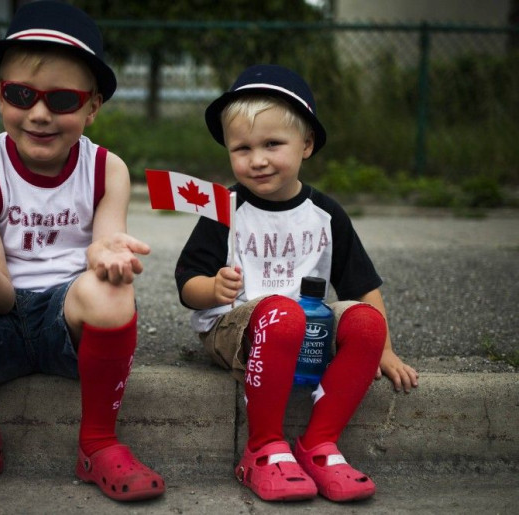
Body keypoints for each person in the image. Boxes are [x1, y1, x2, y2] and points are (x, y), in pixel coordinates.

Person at [0, 1, 165, 501]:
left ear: (92, 107)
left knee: (112, 290)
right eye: (21, 94)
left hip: (71, 327)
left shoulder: (108, 170)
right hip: (0, 323)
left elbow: (103, 244)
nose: (39, 114)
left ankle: (98, 443)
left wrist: (109, 255)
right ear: (0, 96)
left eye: (62, 100)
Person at [174, 64, 419, 503]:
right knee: (282, 314)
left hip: (306, 329)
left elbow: (361, 285)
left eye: (273, 144)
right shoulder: (221, 207)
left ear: (306, 144)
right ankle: (263, 448)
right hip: (235, 330)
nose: (258, 159)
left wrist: (384, 348)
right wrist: (211, 289)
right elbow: (186, 283)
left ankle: (318, 446)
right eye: (242, 148)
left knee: (365, 322)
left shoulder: (326, 215)